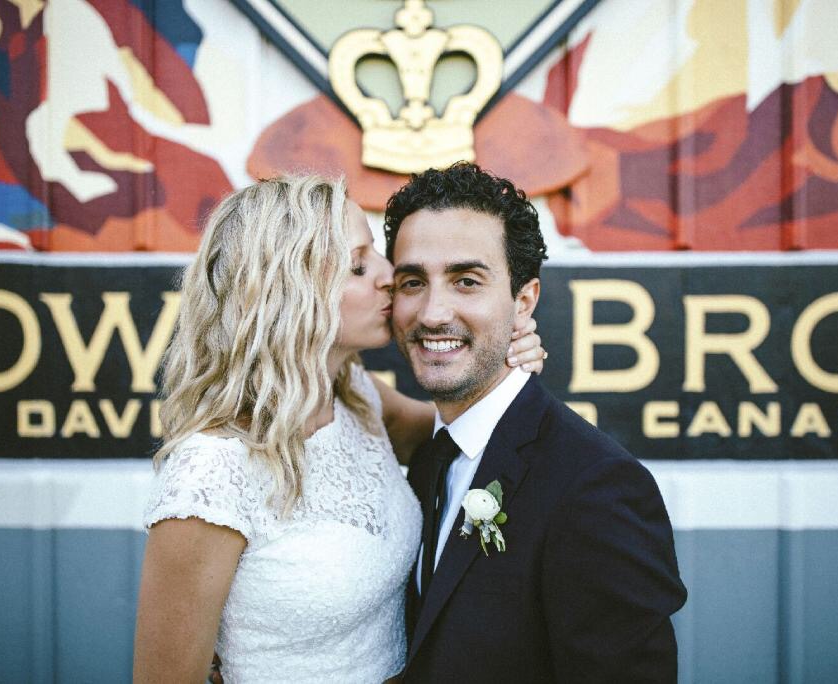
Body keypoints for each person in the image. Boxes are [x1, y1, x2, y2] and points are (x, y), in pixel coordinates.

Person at [132, 174, 545, 683]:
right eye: (358, 265)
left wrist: (503, 359)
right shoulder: (210, 473)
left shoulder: (356, 397)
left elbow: (460, 433)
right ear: (286, 292)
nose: (390, 276)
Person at [385, 163, 687, 682]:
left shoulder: (596, 487)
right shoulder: (431, 456)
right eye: (413, 282)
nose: (432, 313)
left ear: (523, 302)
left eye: (466, 281)